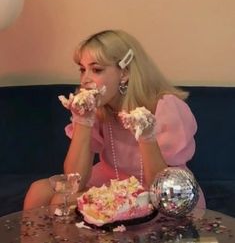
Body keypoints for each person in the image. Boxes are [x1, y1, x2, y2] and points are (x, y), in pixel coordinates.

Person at [24, 29, 205, 210]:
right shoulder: (99, 109)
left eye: (96, 69)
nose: (85, 80)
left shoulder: (166, 107)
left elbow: (160, 188)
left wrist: (146, 136)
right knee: (39, 191)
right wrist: (84, 121)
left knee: (59, 202)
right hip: (111, 181)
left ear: (124, 73)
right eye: (82, 69)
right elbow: (74, 182)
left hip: (163, 191)